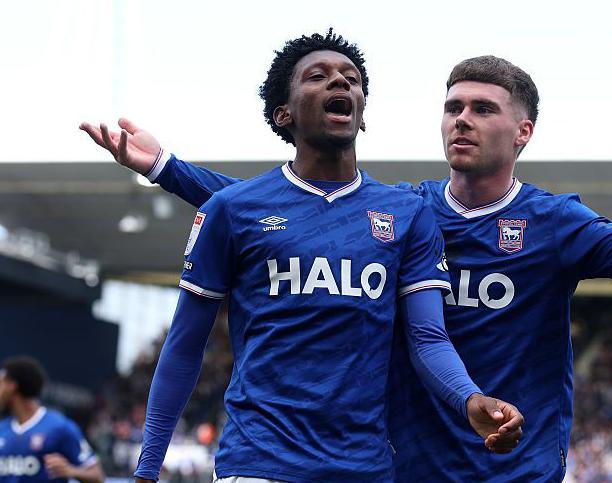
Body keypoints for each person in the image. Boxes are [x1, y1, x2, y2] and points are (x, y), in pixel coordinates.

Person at [83, 50, 612, 481]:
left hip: (513, 464)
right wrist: (169, 169)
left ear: (523, 131)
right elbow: (275, 213)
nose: (461, 119)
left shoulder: (554, 223)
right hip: (408, 462)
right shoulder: (408, 210)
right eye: (452, 106)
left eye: (481, 108)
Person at [82, 31, 524, 483]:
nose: (340, 84)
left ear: (362, 113)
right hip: (258, 465)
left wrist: (469, 398)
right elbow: (184, 347)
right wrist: (146, 469)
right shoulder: (233, 210)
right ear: (284, 113)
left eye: (351, 80)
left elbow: (428, 338)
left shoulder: (406, 215)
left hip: (365, 470)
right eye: (319, 77)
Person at [0, 356, 105, 483]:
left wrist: (71, 471)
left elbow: (97, 476)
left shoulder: (60, 427)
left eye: (1, 383)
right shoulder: (2, 429)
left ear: (12, 386)